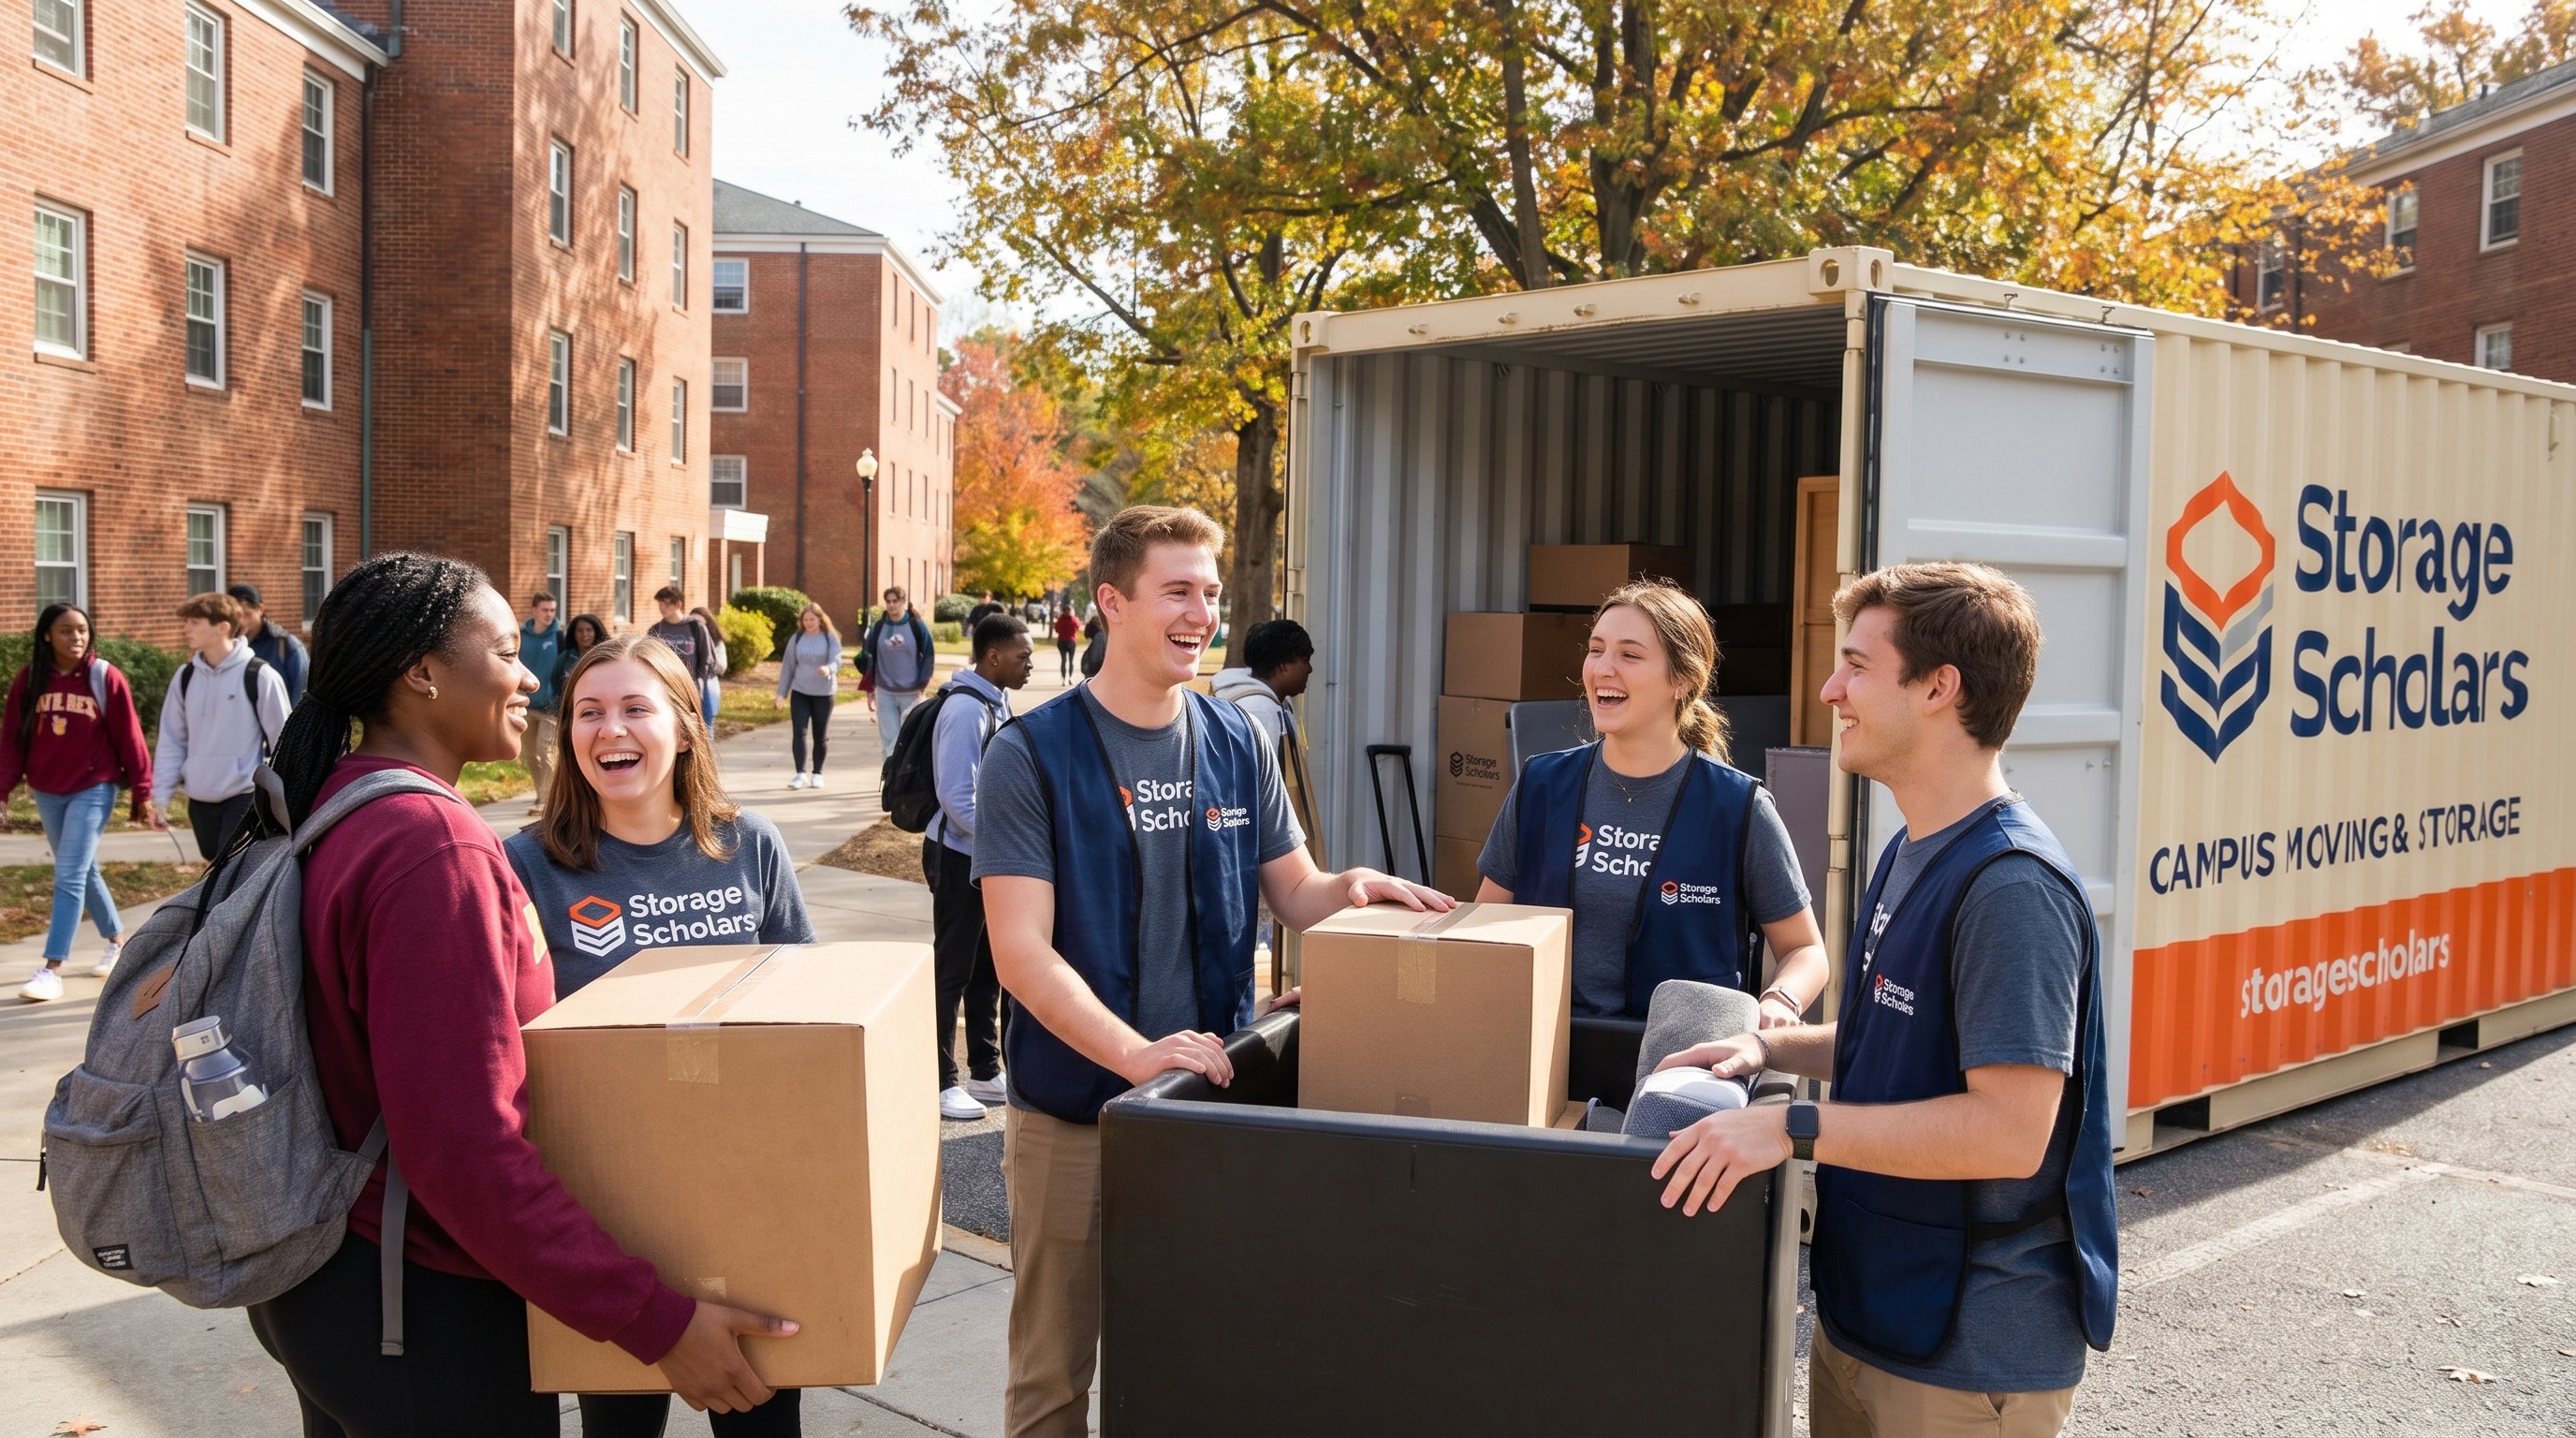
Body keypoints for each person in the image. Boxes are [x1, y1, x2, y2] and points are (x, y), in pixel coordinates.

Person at [243, 552, 794, 1436]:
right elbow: (467, 1152)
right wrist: (657, 1322)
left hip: (344, 1289)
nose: (529, 674)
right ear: (421, 674)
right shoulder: (435, 849)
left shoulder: (347, 805)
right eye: (504, 651)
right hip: (419, 1318)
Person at [974, 505, 1450, 1438]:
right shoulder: (1029, 754)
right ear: (1110, 602)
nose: (1201, 613)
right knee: (1051, 1377)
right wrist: (1136, 1054)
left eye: (1212, 593)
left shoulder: (1237, 740)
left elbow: (1297, 893)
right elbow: (1020, 954)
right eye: (1177, 591)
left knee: (1199, 1356)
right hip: (1073, 1111)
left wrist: (1357, 887)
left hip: (1208, 1109)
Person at [1646, 563, 2116, 1438]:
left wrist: (1791, 1127)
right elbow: (1896, 1037)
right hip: (1871, 1320)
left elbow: (2011, 1131)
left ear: (1940, 687)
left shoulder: (2013, 886)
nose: (1830, 689)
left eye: (1857, 666)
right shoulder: (1911, 847)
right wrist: (1770, 1049)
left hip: (1967, 1357)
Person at [505, 631, 815, 1438]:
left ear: (684, 725)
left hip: (748, 1187)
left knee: (762, 1420)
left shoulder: (748, 846)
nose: (610, 731)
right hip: (608, 1200)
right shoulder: (527, 867)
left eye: (635, 709)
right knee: (620, 1426)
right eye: (587, 712)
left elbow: (811, 1013)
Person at [1471, 582, 1828, 1024]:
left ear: (1682, 680)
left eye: (1629, 654)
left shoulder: (1738, 806)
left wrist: (1781, 1000)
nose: (1604, 668)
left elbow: (1805, 950)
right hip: (1547, 1049)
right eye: (1596, 649)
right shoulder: (1541, 785)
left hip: (1685, 1062)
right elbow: (1483, 928)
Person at [4, 604, 154, 1003]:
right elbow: (12, 740)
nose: (77, 638)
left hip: (94, 786)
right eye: (66, 631)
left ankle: (52, 968)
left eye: (83, 630)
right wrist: (2, 791)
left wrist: (142, 789)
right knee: (82, 870)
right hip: (47, 789)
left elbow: (130, 736)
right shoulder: (31, 680)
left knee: (68, 874)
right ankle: (117, 941)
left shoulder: (104, 677)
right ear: (46, 636)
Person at [925, 613, 1032, 1122]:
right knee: (953, 970)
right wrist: (1005, 842)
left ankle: (985, 1071)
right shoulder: (967, 710)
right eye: (1022, 655)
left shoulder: (996, 700)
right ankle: (940, 1080)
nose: (1030, 662)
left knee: (989, 967)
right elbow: (955, 795)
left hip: (984, 856)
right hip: (957, 855)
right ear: (993, 656)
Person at [155, 591, 291, 861]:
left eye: (195, 622)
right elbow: (172, 739)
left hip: (243, 793)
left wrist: (287, 801)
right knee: (213, 861)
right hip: (200, 796)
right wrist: (161, 794)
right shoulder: (185, 677)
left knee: (228, 870)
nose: (186, 628)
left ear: (222, 627)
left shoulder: (260, 675)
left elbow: (284, 741)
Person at [856, 587, 935, 753]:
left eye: (895, 601)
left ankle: (908, 779)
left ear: (903, 602)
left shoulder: (917, 626)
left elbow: (928, 655)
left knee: (910, 742)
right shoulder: (878, 628)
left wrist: (922, 684)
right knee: (890, 742)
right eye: (888, 602)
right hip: (885, 693)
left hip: (911, 693)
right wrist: (870, 690)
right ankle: (890, 778)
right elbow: (869, 658)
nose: (891, 605)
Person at [773, 603, 842, 790]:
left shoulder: (829, 637)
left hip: (823, 693)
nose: (809, 623)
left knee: (820, 735)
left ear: (820, 619)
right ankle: (800, 773)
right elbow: (787, 667)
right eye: (806, 620)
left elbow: (837, 659)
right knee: (799, 732)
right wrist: (781, 694)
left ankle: (817, 773)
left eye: (812, 619)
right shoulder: (797, 638)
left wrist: (829, 669)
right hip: (800, 691)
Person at [647, 588, 721, 727]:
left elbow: (707, 658)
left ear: (678, 605)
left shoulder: (695, 627)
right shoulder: (656, 630)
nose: (662, 608)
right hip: (666, 690)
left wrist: (699, 683)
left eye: (666, 604)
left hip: (692, 690)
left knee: (696, 729)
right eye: (660, 604)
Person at [228, 581, 311, 706]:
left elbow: (302, 693)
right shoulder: (225, 647)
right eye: (234, 616)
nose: (240, 622)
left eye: (246, 614)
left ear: (260, 609)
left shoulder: (286, 645)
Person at [520, 594, 564, 815]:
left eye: (552, 610)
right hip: (526, 705)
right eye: (545, 610)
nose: (549, 615)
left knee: (545, 750)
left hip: (551, 707)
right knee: (530, 754)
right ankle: (542, 795)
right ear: (534, 610)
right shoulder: (521, 636)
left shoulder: (559, 636)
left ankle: (547, 801)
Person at [552, 613, 608, 713]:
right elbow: (556, 685)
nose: (584, 634)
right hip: (571, 711)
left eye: (589, 630)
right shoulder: (565, 659)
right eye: (580, 630)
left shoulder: (606, 657)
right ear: (574, 634)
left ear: (596, 632)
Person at [1049, 606, 1079, 683]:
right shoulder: (1073, 619)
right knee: (1070, 660)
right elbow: (1078, 626)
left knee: (1064, 660)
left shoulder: (1060, 619)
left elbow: (1056, 629)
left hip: (1062, 641)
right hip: (1071, 641)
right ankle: (1070, 677)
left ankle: (1064, 678)